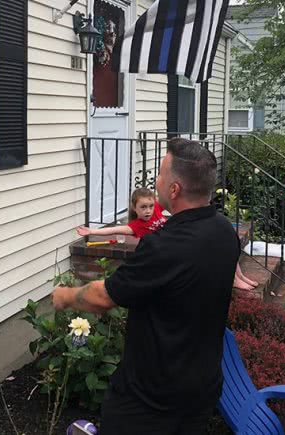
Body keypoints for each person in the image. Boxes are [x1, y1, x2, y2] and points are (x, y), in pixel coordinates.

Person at [52, 138, 240, 434]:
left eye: (162, 175)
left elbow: (103, 297)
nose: (157, 181)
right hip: (201, 389)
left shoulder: (165, 246)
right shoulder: (224, 232)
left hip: (151, 399)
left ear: (175, 189)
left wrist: (65, 295)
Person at [76, 188, 259, 290]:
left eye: (149, 206)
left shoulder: (157, 208)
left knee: (225, 246)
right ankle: (234, 280)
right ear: (134, 208)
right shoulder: (136, 227)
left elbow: (169, 197)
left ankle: (240, 276)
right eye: (143, 207)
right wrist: (91, 231)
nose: (147, 211)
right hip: (167, 252)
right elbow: (114, 230)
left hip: (175, 240)